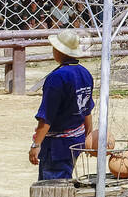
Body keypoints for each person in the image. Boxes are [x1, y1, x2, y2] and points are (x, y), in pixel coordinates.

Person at [29, 30, 95, 182]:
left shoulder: (57, 78)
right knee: (65, 179)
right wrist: (87, 136)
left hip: (57, 145)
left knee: (52, 187)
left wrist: (36, 144)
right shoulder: (85, 73)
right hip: (76, 140)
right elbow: (87, 110)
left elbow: (46, 116)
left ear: (58, 51)